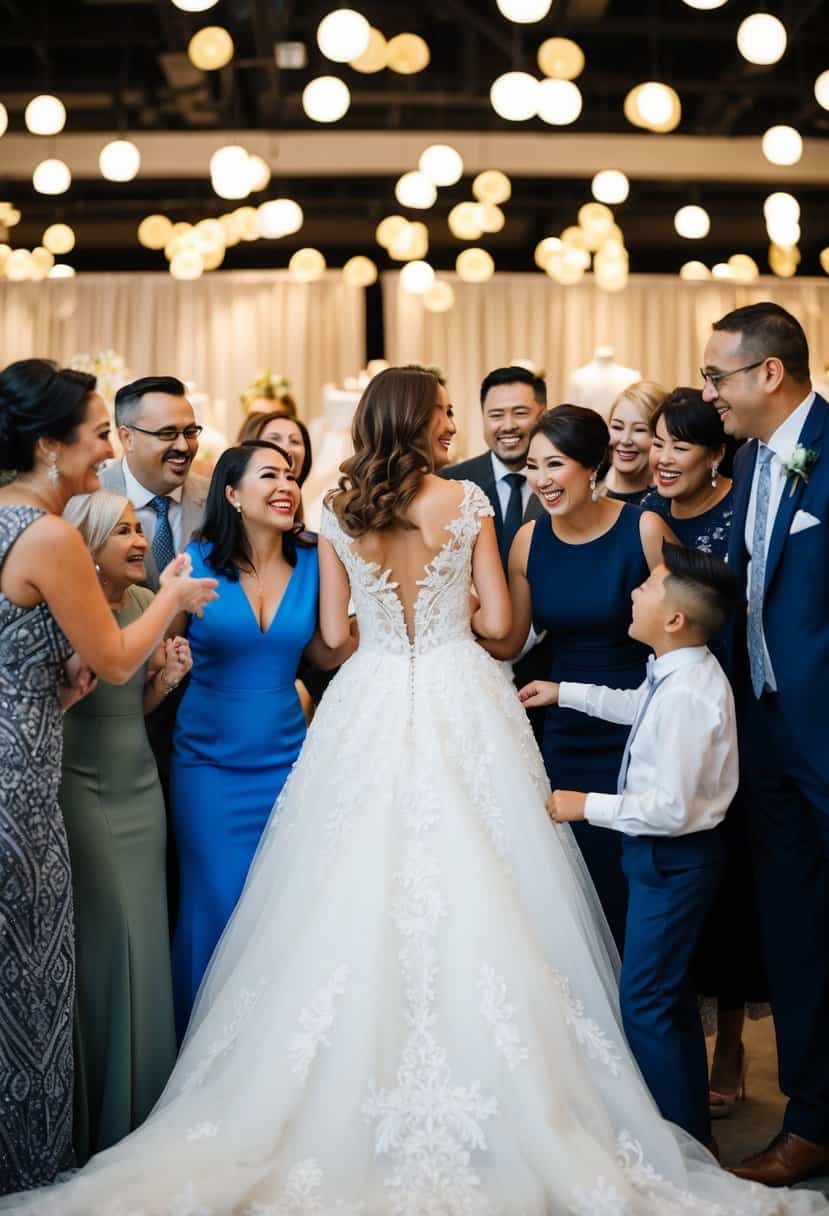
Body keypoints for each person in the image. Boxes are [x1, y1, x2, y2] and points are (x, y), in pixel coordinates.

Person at [6, 365, 826, 1216]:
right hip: (456, 693)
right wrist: (457, 618)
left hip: (366, 701)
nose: (448, 427)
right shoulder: (467, 507)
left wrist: (382, 622)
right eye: (441, 413)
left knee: (346, 891)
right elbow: (506, 631)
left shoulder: (338, 511)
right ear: (417, 421)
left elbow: (330, 639)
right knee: (486, 884)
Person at [0, 358, 216, 1195]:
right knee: (34, 987)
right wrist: (171, 597)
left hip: (25, 752)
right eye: (95, 436)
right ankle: (36, 1169)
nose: (104, 452)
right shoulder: (45, 534)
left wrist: (50, 689)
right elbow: (121, 656)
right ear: (49, 445)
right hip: (22, 790)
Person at [523, 543, 739, 1149]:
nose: (635, 591)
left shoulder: (688, 696)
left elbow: (669, 809)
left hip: (672, 860)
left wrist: (582, 805)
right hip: (663, 861)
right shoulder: (675, 674)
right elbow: (633, 706)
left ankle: (673, 1142)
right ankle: (690, 1131)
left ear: (674, 619)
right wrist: (563, 691)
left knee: (644, 1000)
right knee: (664, 996)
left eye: (648, 587)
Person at [702, 302, 829, 1187]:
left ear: (768, 374)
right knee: (794, 929)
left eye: (718, 376)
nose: (708, 391)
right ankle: (811, 1117)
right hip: (766, 734)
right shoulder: (748, 459)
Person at [170, 440, 354, 1038]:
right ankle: (203, 1046)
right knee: (218, 901)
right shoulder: (194, 563)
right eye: (269, 475)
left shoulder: (314, 560)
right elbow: (161, 653)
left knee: (282, 907)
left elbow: (327, 651)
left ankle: (272, 1046)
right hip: (208, 767)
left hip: (289, 761)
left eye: (292, 476)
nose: (286, 486)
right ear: (231, 493)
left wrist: (386, 609)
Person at [484, 405, 675, 951]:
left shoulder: (643, 529)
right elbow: (509, 640)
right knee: (574, 883)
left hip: (639, 727)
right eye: (534, 467)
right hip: (564, 727)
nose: (542, 479)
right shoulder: (527, 541)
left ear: (592, 465)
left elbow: (692, 621)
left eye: (556, 464)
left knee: (630, 885)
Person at [642, 388, 766, 1119]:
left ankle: (729, 1045)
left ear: (715, 453)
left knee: (731, 883)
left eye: (678, 446)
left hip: (736, 708)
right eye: (655, 443)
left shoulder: (740, 509)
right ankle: (687, 1034)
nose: (660, 458)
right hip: (667, 700)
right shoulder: (648, 522)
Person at [60, 491, 190, 1163]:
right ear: (88, 546)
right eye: (122, 532)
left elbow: (132, 706)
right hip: (80, 787)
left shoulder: (144, 605)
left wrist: (162, 684)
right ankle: (100, 1119)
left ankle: (144, 1111)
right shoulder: (70, 608)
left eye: (140, 529)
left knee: (145, 938)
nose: (139, 540)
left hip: (142, 787)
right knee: (109, 945)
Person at [101, 376, 209, 592]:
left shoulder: (213, 498)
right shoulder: (92, 497)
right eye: (167, 434)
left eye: (189, 432)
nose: (183, 446)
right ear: (127, 438)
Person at [443, 364, 546, 567]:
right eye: (496, 415)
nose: (508, 426)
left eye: (520, 413)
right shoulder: (450, 482)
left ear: (543, 416)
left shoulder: (563, 482)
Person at [603, 380, 665, 504]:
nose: (625, 440)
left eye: (639, 430)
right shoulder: (587, 489)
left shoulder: (670, 503)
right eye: (617, 427)